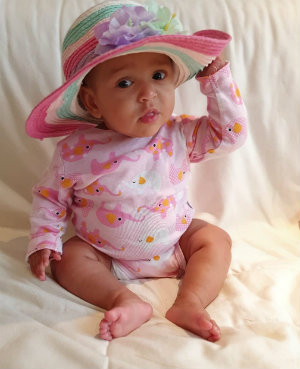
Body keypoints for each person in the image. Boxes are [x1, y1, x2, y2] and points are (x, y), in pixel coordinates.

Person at [26, 0, 247, 342]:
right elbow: (50, 198)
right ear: (92, 102)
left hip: (176, 242)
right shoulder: (76, 150)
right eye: (125, 84)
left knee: (215, 239)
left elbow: (230, 135)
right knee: (68, 257)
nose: (147, 95)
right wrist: (45, 239)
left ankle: (190, 301)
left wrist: (216, 81)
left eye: (158, 76)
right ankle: (124, 300)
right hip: (105, 255)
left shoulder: (179, 134)